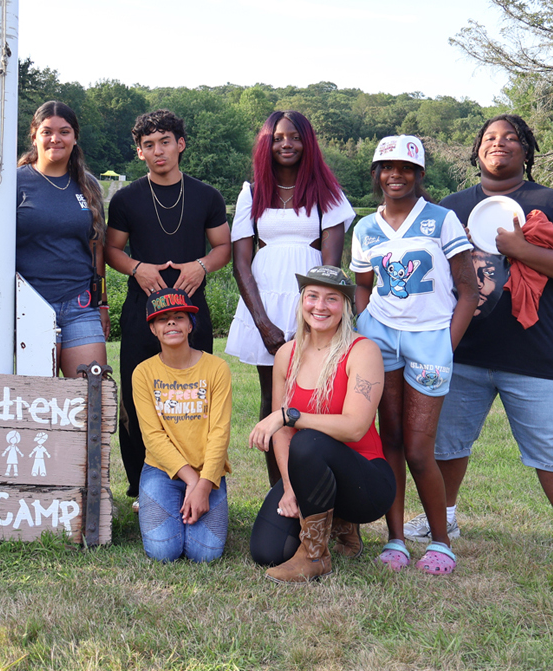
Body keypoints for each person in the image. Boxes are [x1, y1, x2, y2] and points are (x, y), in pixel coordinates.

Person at [412, 114, 553, 582]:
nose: (498, 143)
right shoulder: (451, 209)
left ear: (526, 150)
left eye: (510, 138)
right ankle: (445, 519)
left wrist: (522, 250)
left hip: (536, 354)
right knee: (447, 443)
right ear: (477, 151)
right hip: (462, 352)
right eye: (489, 138)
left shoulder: (552, 203)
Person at [351, 135, 476, 575]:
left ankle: (441, 542)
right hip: (381, 338)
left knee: (420, 448)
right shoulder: (365, 228)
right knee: (390, 441)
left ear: (419, 174)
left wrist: (446, 344)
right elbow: (362, 285)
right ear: (376, 173)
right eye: (387, 167)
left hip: (430, 339)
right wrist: (366, 324)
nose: (396, 175)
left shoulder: (441, 220)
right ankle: (397, 539)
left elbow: (468, 290)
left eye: (406, 168)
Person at [105, 110, 231, 507]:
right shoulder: (125, 199)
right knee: (136, 399)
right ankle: (142, 485)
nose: (158, 151)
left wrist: (202, 265)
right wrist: (136, 268)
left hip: (191, 310)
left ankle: (200, 478)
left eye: (165, 142)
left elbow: (223, 247)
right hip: (142, 310)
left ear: (181, 144)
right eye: (149, 145)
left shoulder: (207, 196)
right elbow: (111, 250)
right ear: (140, 152)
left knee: (194, 397)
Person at [226, 110, 356, 485]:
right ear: (266, 144)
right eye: (279, 137)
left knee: (318, 399)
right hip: (264, 305)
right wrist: (263, 324)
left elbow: (330, 267)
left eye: (296, 137)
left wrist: (315, 318)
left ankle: (318, 490)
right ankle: (280, 492)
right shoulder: (252, 192)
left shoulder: (327, 193)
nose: (287, 144)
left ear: (308, 143)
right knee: (274, 401)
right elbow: (241, 263)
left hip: (312, 305)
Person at [248, 266, 393, 583]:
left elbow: (355, 427)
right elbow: (282, 435)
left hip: (366, 480)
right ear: (302, 301)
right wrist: (289, 487)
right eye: (312, 296)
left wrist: (289, 415)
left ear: (345, 306)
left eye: (332, 298)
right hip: (309, 472)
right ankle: (337, 524)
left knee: (308, 440)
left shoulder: (363, 350)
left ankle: (314, 556)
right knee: (266, 551)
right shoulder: (287, 354)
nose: (320, 306)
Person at [134, 288, 232, 563]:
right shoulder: (143, 373)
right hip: (161, 470)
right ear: (153, 329)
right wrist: (192, 481)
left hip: (207, 470)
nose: (171, 323)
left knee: (205, 553)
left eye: (179, 317)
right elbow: (153, 437)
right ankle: (160, 502)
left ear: (190, 325)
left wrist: (204, 483)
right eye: (162, 319)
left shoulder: (217, 368)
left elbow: (220, 433)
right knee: (163, 552)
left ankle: (186, 506)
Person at [16, 101, 109, 376]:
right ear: (34, 136)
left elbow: (96, 247)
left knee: (92, 389)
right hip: (31, 305)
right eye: (47, 132)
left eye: (64, 132)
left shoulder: (88, 185)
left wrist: (102, 302)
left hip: (80, 304)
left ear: (75, 137)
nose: (55, 139)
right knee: (37, 397)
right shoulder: (14, 182)